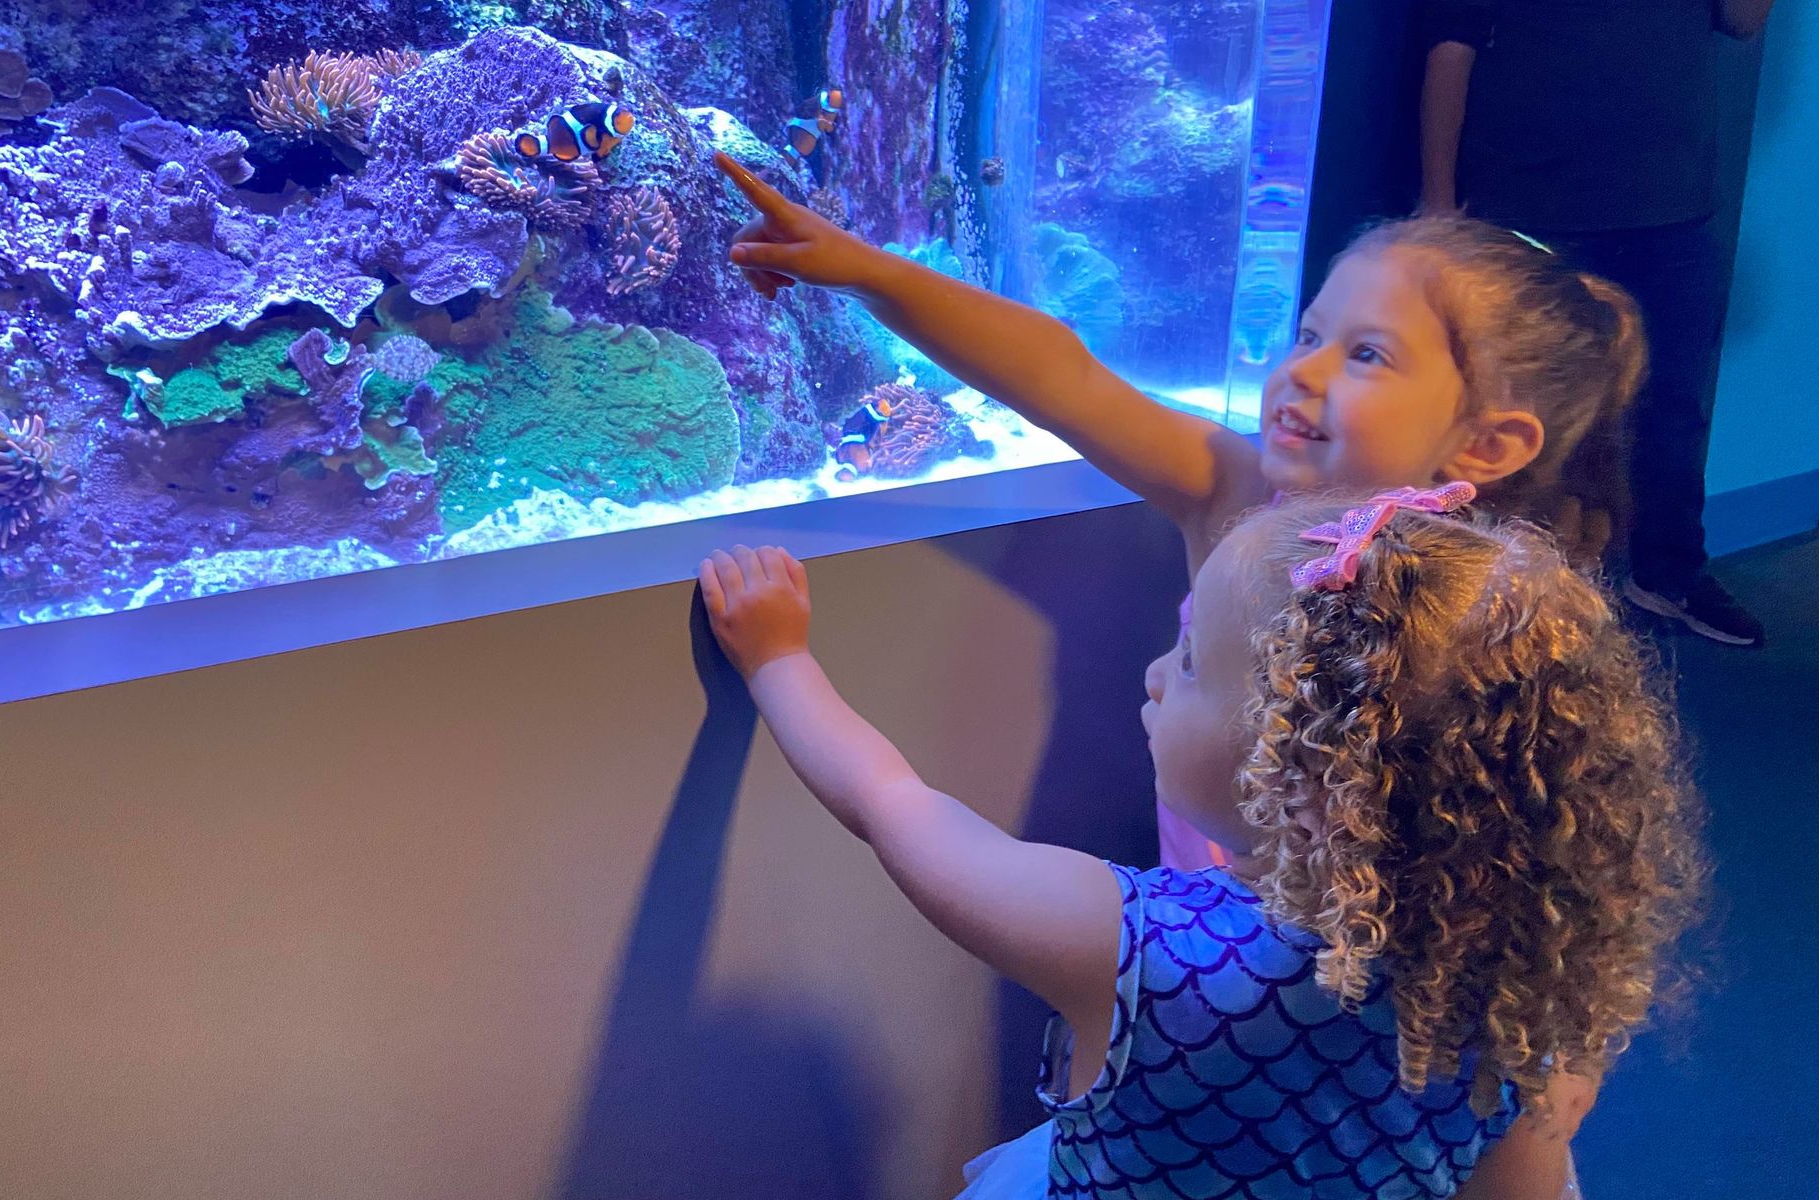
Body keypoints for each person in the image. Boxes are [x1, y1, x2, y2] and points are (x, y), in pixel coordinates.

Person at [698, 486, 1702, 1198]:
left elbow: (895, 809)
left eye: (1185, 658)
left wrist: (779, 659)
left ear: (1299, 772)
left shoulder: (1137, 948)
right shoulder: (1519, 1007)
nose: (1152, 674)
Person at [717, 153, 1643, 870]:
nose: (1302, 370)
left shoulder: (1485, 616)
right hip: (1190, 940)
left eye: (1367, 356)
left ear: (1486, 444)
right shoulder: (1239, 496)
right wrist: (865, 272)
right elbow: (1064, 376)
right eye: (1310, 333)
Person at [1419, 0, 1778, 646]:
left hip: (1671, 211)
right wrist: (1439, 203)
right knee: (1516, 411)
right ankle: (1481, 596)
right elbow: (1451, 49)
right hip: (1532, 212)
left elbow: (1747, 19)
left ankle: (1666, 577)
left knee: (1673, 407)